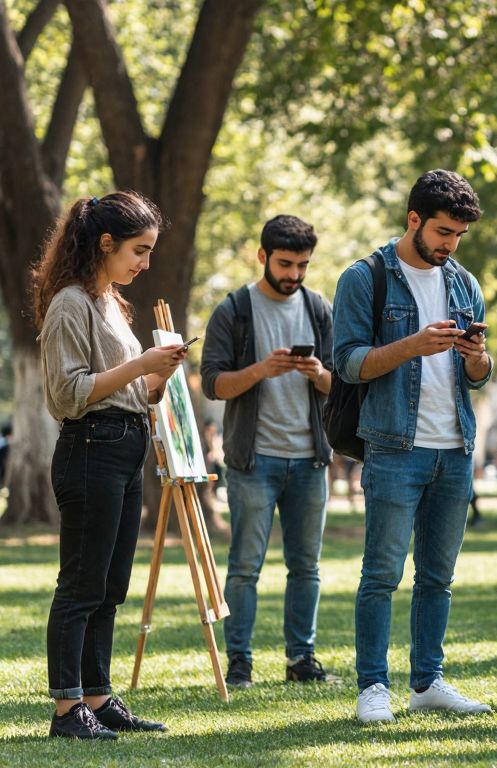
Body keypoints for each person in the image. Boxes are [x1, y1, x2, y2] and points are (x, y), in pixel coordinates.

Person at [333, 170, 495, 724]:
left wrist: (478, 361)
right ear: (414, 220)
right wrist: (412, 345)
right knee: (381, 574)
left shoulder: (462, 282)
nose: (450, 244)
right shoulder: (364, 278)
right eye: (444, 232)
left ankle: (428, 681)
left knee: (438, 577)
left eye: (459, 235)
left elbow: (478, 373)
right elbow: (349, 363)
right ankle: (372, 686)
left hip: (454, 447)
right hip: (394, 445)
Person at [34, 192, 185, 739]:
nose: (145, 263)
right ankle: (66, 709)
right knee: (80, 585)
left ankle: (96, 697)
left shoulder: (110, 303)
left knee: (110, 585)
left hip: (124, 447)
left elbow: (130, 392)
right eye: (138, 251)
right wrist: (141, 364)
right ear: (105, 244)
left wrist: (158, 376)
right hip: (89, 448)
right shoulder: (70, 303)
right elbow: (69, 395)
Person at [200, 215, 337, 689]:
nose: (295, 274)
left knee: (306, 566)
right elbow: (213, 383)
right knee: (244, 566)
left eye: (302, 265)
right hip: (252, 460)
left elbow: (340, 384)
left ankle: (302, 658)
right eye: (285, 263)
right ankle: (240, 661)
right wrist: (261, 370)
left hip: (308, 459)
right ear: (263, 256)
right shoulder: (234, 310)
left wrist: (317, 372)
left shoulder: (320, 309)